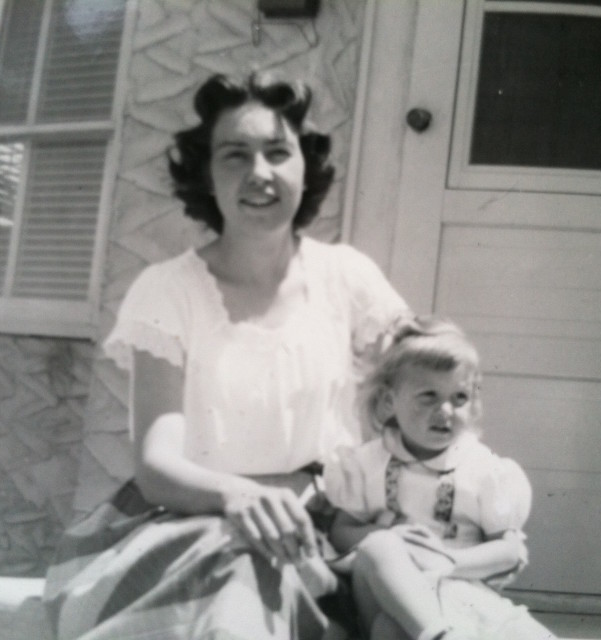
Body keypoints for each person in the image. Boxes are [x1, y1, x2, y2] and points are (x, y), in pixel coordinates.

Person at [42, 71, 408, 640]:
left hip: (320, 523)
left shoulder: (350, 278)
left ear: (304, 168)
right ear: (206, 176)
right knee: (238, 583)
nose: (259, 173)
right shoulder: (168, 291)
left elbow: (420, 390)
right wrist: (240, 495)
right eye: (235, 155)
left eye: (278, 152)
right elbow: (157, 467)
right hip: (195, 519)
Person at [323, 317, 557, 640]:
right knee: (379, 548)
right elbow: (341, 530)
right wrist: (394, 537)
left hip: (457, 590)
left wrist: (447, 561)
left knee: (392, 632)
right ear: (390, 401)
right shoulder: (367, 463)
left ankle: (438, 632)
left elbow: (509, 550)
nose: (445, 410)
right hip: (384, 592)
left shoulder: (482, 470)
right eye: (428, 396)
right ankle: (438, 635)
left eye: (459, 397)